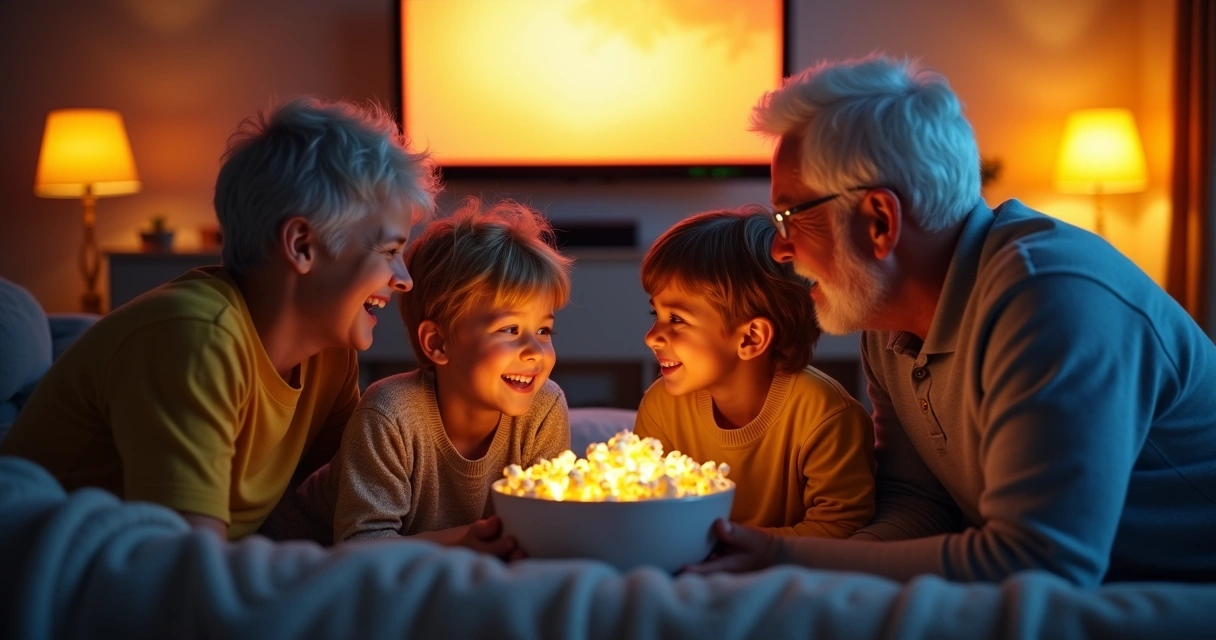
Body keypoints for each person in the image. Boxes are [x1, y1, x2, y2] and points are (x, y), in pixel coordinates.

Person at [688, 55, 1216, 585]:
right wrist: (783, 562)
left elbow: (1040, 565)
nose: (780, 248)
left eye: (790, 216)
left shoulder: (1052, 300)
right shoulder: (886, 318)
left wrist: (784, 561)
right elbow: (920, 504)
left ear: (879, 221)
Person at [0, 97, 440, 540]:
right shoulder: (194, 339)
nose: (404, 280)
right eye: (389, 251)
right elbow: (188, 569)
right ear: (301, 245)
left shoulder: (331, 356)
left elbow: (347, 503)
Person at [270, 199, 572, 555]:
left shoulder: (544, 407)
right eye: (510, 329)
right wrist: (466, 540)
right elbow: (359, 545)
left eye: (543, 331)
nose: (535, 351)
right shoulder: (390, 414)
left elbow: (546, 524)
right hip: (297, 558)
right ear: (438, 343)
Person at [633, 207, 874, 538]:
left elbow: (841, 527)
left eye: (676, 319)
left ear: (751, 338)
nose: (651, 337)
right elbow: (648, 512)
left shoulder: (826, 416)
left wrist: (738, 548)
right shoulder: (661, 407)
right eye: (656, 314)